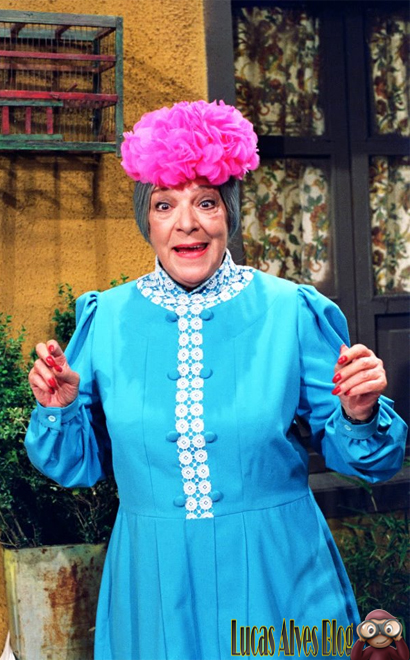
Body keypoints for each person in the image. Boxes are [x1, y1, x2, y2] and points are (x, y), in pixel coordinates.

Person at [25, 100, 407, 660]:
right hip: (153, 585)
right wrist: (59, 409)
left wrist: (360, 413)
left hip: (281, 576)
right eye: (164, 205)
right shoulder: (105, 319)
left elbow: (371, 463)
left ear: (229, 212)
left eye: (206, 202)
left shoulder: (290, 311)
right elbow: (72, 467)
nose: (188, 224)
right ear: (147, 221)